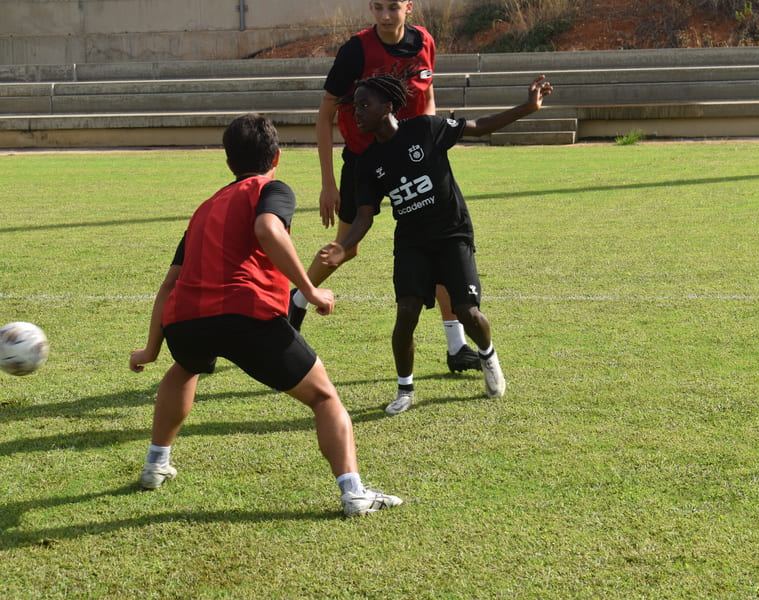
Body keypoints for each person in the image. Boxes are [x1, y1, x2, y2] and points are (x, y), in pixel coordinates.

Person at [128, 113, 401, 517]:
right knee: (325, 397)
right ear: (277, 156)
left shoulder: (204, 209)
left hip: (186, 321)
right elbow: (267, 229)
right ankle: (355, 494)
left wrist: (152, 348)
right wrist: (310, 290)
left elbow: (169, 285)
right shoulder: (270, 188)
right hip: (245, 316)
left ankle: (155, 465)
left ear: (228, 163)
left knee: (183, 369)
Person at [318, 74, 554, 415]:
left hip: (452, 234)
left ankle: (488, 356)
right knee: (406, 314)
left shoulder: (426, 129)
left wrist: (528, 107)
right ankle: (405, 390)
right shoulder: (368, 162)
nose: (357, 113)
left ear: (388, 107)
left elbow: (479, 126)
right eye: (355, 107)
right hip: (412, 242)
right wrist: (343, 247)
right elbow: (365, 216)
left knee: (467, 313)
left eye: (365, 105)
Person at [288, 0, 483, 375]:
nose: (384, 15)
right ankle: (296, 300)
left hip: (411, 160)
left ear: (408, 7)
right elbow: (326, 113)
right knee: (348, 247)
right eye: (377, 7)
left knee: (440, 241)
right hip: (365, 162)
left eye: (392, 6)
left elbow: (426, 96)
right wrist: (328, 183)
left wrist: (428, 145)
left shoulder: (424, 41)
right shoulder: (355, 51)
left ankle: (457, 346)